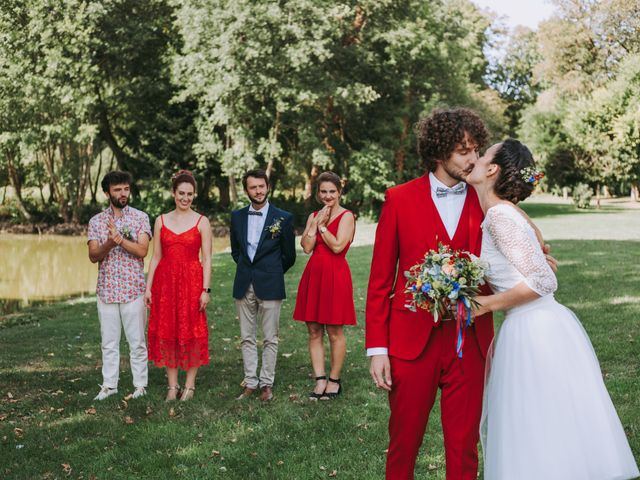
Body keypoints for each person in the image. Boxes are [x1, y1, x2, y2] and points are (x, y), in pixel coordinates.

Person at [465, 139, 639, 480]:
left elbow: (543, 281)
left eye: (483, 153)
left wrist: (486, 304)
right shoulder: (504, 212)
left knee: (537, 419)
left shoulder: (500, 215)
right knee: (548, 420)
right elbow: (534, 251)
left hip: (532, 329)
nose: (476, 157)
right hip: (539, 324)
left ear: (492, 169)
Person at [366, 108, 500, 479]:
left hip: (470, 344)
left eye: (476, 149)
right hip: (411, 344)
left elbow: (509, 253)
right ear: (439, 153)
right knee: (404, 444)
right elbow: (379, 282)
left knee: (463, 447)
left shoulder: (488, 201)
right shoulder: (399, 199)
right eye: (463, 150)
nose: (474, 158)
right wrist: (378, 349)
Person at [145, 170, 212, 401]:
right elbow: (156, 257)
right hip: (166, 284)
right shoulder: (161, 220)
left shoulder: (202, 221)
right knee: (169, 330)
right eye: (181, 193)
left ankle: (190, 386)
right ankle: (172, 386)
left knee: (193, 330)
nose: (185, 198)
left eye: (190, 194)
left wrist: (206, 289)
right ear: (174, 193)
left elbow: (208, 258)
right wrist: (148, 287)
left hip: (193, 282)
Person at [230, 169, 296, 402]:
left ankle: (266, 383)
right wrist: (248, 271)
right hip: (244, 283)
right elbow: (236, 251)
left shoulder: (283, 218)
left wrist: (271, 272)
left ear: (267, 187)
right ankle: (250, 382)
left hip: (270, 283)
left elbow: (289, 256)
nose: (258, 191)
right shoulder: (237, 217)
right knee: (246, 337)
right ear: (246, 190)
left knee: (270, 337)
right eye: (252, 187)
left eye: (261, 186)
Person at [88, 171, 151, 401]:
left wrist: (121, 240)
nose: (123, 193)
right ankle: (109, 386)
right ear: (107, 193)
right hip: (106, 290)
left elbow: (143, 250)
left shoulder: (140, 218)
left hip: (133, 289)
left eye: (125, 189)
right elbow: (94, 255)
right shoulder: (96, 221)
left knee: (137, 342)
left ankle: (140, 385)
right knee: (109, 342)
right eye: (117, 190)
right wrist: (109, 241)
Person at [293, 171, 356, 400]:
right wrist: (314, 224)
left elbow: (338, 247)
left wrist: (321, 227)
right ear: (318, 194)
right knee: (313, 330)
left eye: (332, 191)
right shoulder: (314, 215)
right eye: (324, 192)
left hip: (335, 275)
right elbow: (307, 247)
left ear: (339, 192)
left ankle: (334, 380)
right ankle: (320, 378)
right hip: (314, 276)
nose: (328, 196)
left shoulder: (347, 216)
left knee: (335, 331)